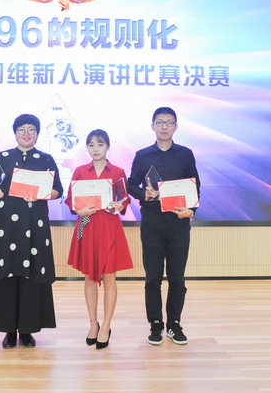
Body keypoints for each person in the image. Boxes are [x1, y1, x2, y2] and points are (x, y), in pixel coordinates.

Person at [0, 114, 63, 349]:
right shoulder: (3, 157)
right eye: (21, 129)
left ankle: (27, 330)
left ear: (37, 133)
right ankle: (8, 330)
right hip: (6, 225)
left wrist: (43, 194)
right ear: (15, 133)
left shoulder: (46, 159)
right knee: (6, 272)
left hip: (34, 224)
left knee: (31, 274)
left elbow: (58, 190)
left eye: (31, 129)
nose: (26, 133)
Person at [127, 107, 200, 346]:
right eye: (160, 122)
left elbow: (195, 187)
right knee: (153, 278)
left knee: (177, 278)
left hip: (179, 224)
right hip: (152, 224)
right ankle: (156, 324)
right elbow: (131, 185)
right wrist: (144, 194)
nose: (165, 126)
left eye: (169, 122)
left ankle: (174, 324)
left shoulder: (186, 154)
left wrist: (192, 211)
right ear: (153, 126)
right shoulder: (142, 155)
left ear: (176, 127)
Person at [65, 129, 133, 349]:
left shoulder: (118, 172)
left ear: (107, 147)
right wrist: (78, 209)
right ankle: (93, 324)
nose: (95, 149)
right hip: (88, 227)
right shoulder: (80, 171)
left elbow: (125, 198)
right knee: (89, 279)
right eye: (91, 145)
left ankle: (106, 326)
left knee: (109, 278)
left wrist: (120, 205)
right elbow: (70, 200)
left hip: (109, 227)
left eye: (100, 144)